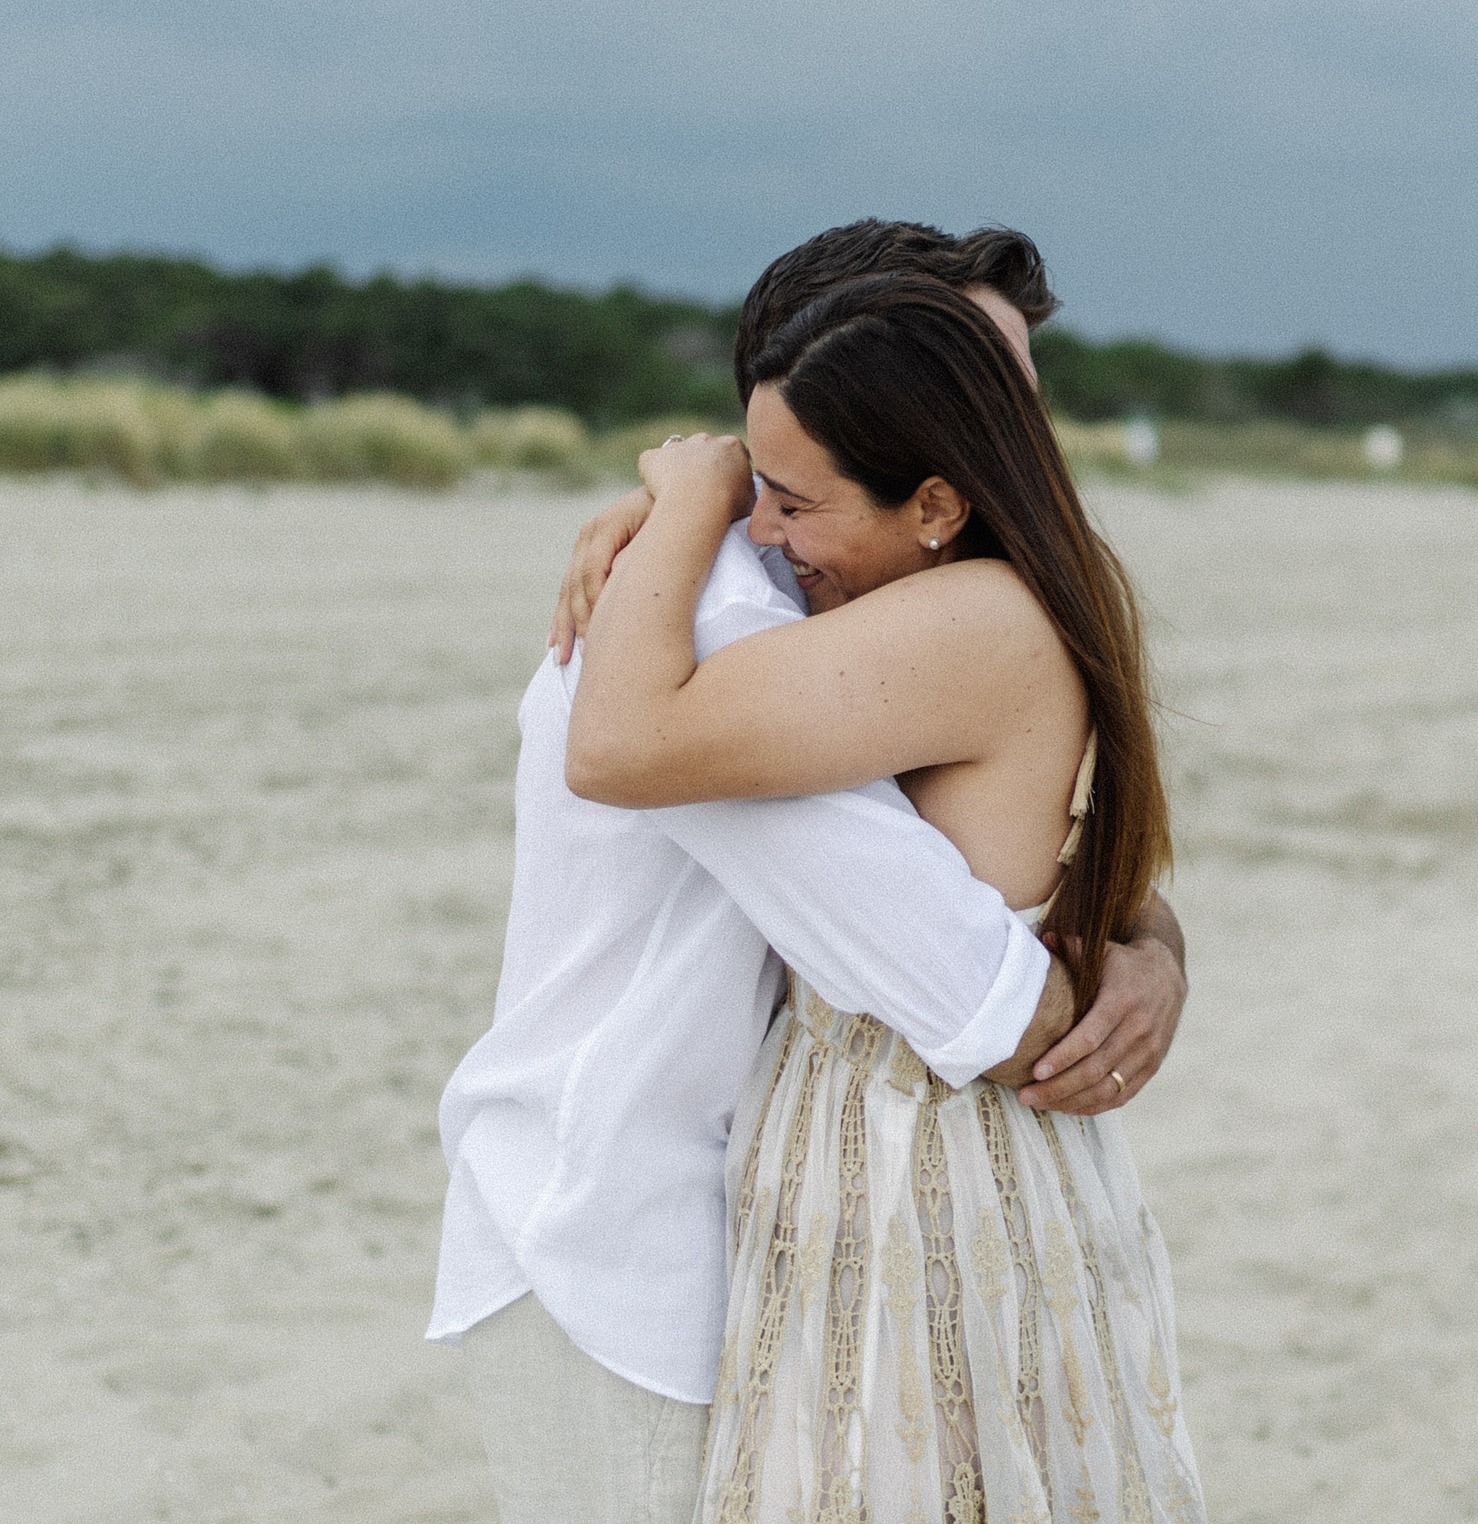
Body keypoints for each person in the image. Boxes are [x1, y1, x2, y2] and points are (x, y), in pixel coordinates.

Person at [432, 228, 1190, 1524]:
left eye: (1013, 388)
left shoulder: (865, 616)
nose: (1011, 433)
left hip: (716, 1228)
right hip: (611, 1232)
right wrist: (1084, 994)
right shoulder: (730, 621)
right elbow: (969, 982)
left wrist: (1150, 945)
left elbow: (995, 857)